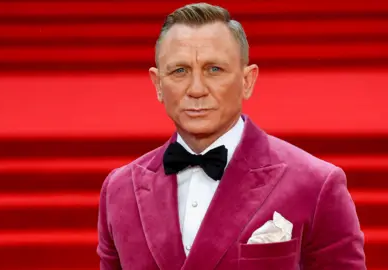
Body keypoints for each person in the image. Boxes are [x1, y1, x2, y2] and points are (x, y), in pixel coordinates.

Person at [96, 3, 366, 269]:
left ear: (247, 81)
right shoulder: (119, 190)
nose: (197, 89)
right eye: (180, 71)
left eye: (214, 69)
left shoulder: (316, 184)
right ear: (158, 85)